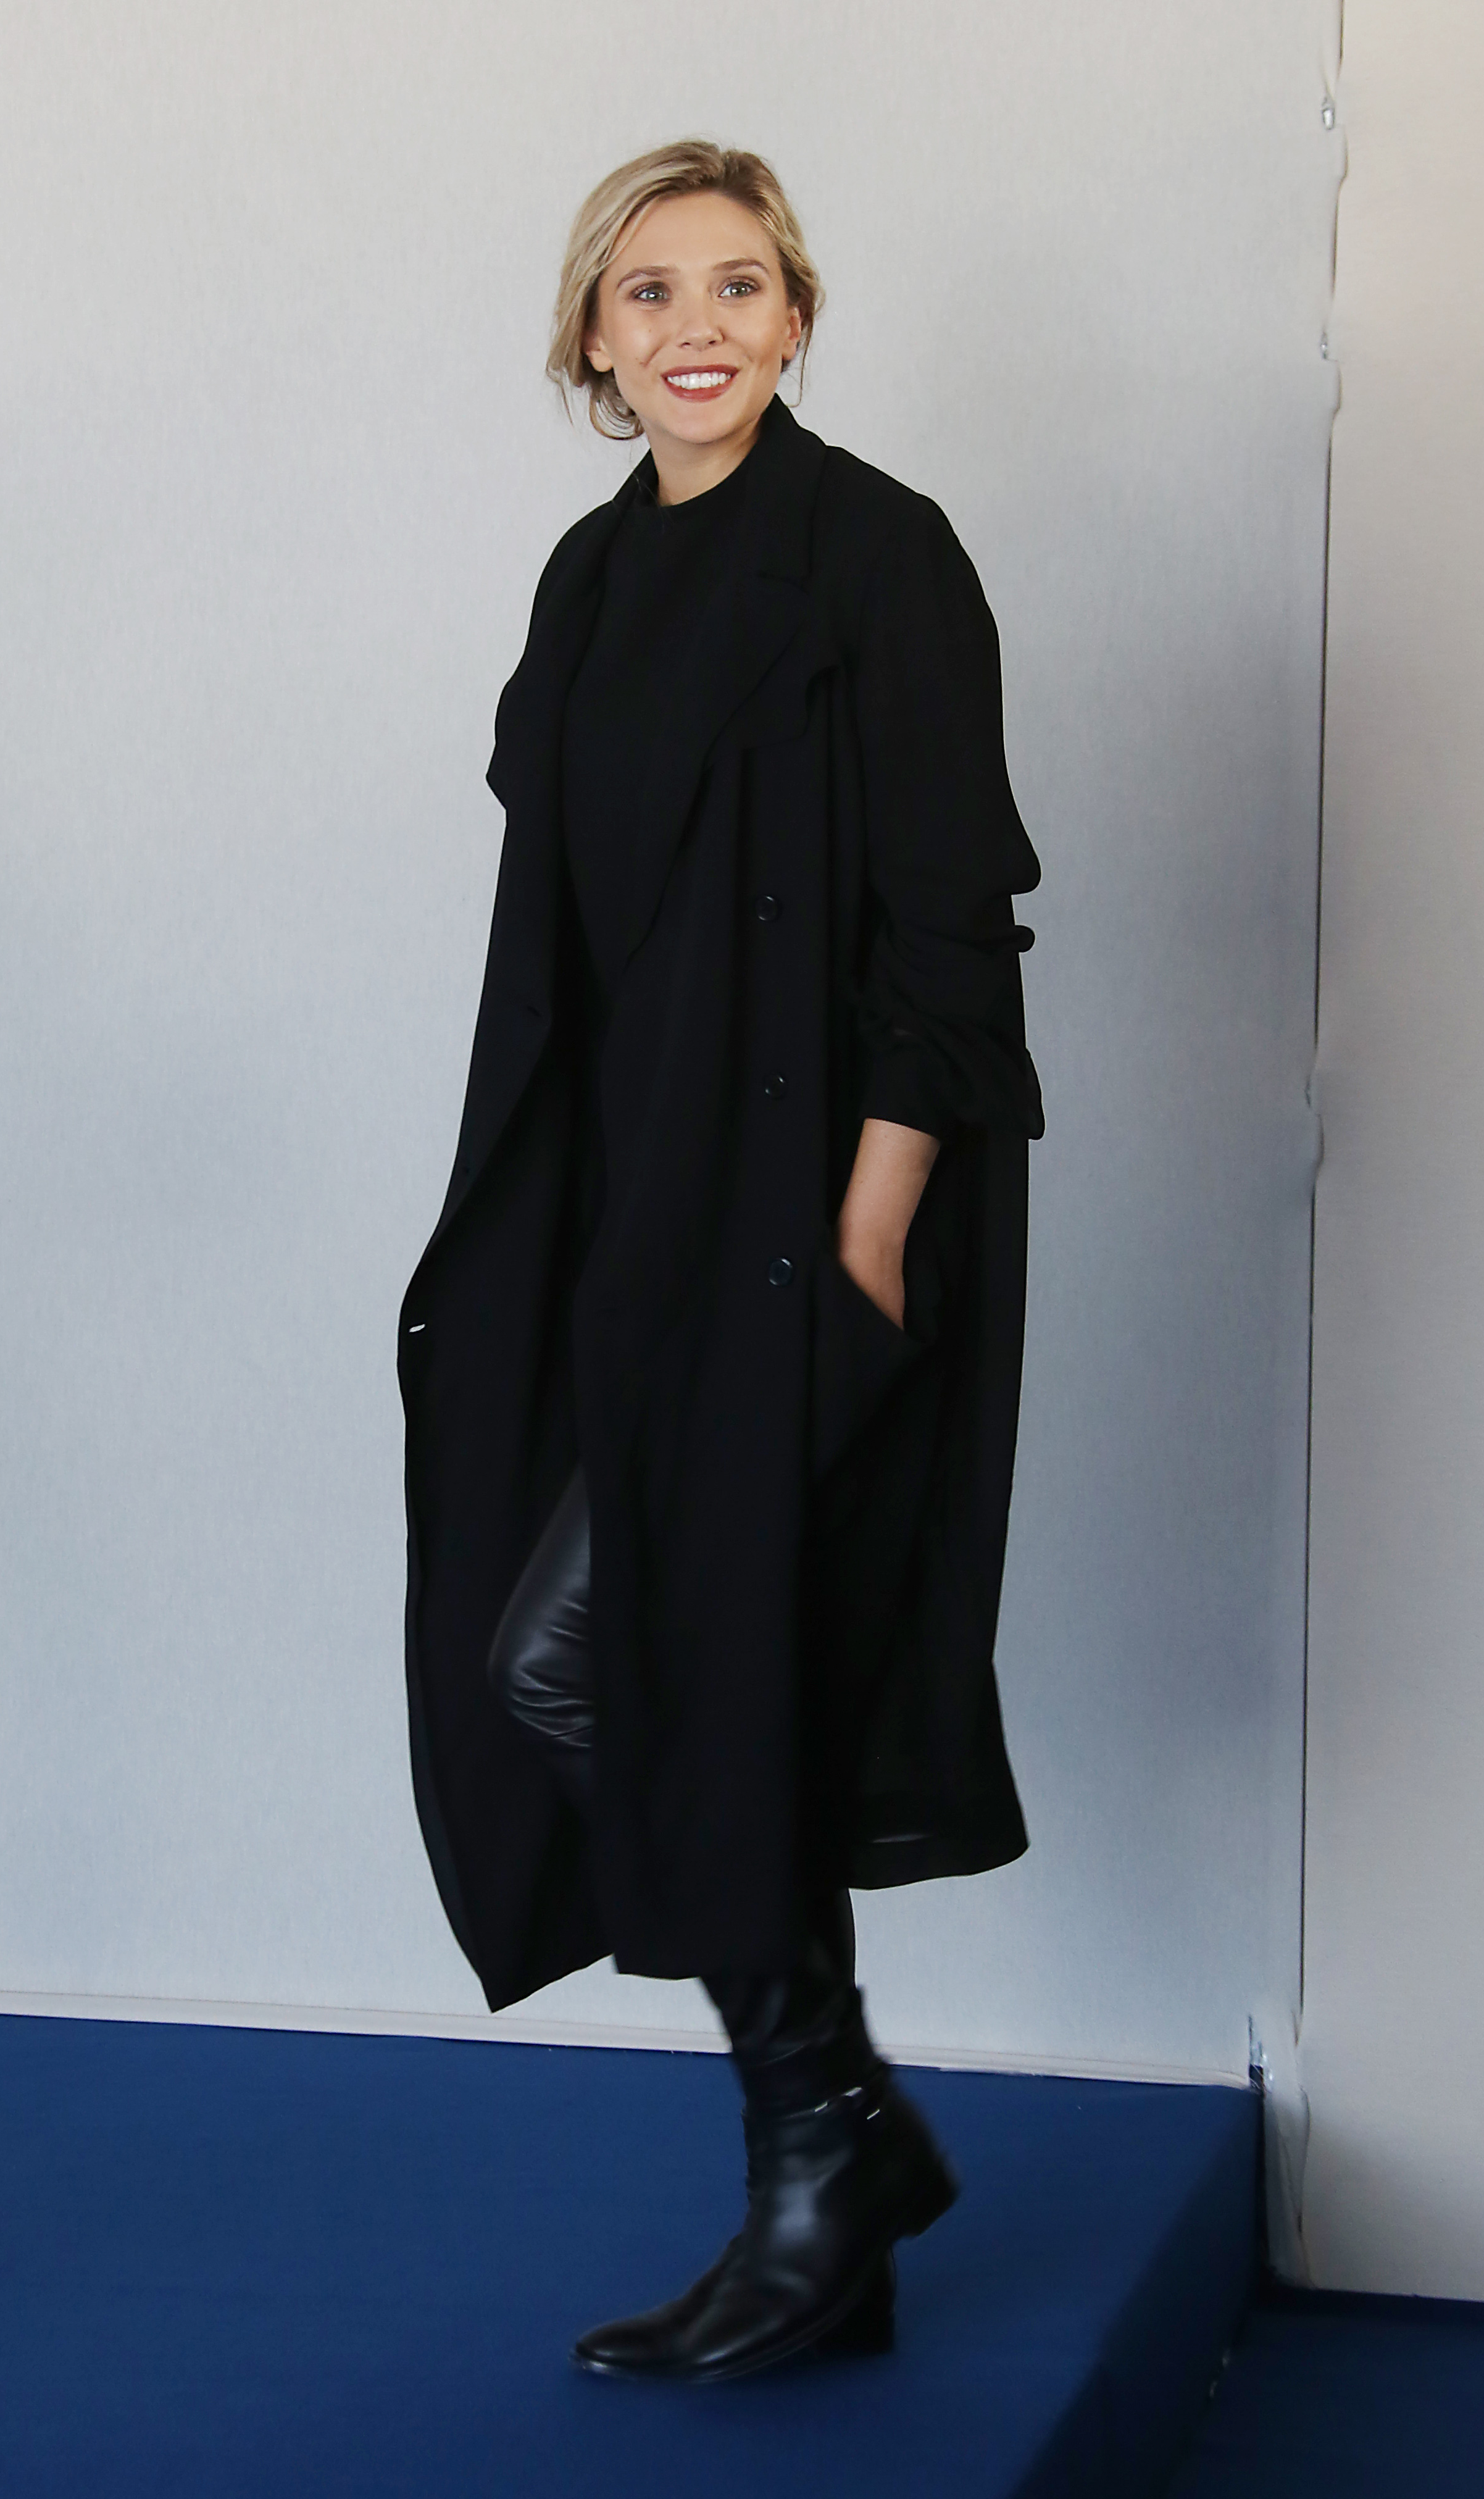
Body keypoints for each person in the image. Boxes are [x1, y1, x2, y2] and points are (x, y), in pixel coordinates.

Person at [398, 139, 1043, 2382]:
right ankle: (832, 2154)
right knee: (613, 1662)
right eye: (653, 289)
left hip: (799, 1227)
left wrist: (867, 1237)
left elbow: (954, 928)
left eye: (742, 285)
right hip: (628, 1223)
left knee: (614, 1661)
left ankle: (822, 2154)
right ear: (593, 333)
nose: (699, 326)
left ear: (798, 317)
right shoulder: (591, 579)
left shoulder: (878, 555)